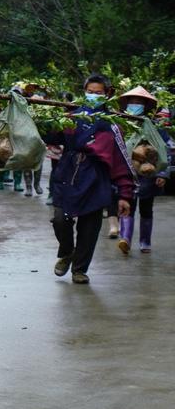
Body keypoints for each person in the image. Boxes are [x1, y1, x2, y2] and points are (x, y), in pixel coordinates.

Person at [45, 74, 134, 284]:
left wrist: (125, 195)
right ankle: (67, 251)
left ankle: (79, 269)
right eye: (90, 92)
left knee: (89, 227)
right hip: (68, 173)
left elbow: (120, 161)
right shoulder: (72, 118)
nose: (93, 96)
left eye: (98, 93)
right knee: (60, 219)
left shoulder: (112, 125)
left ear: (108, 94)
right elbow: (51, 138)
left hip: (96, 179)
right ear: (83, 92)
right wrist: (46, 121)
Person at [117, 86, 169, 254]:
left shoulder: (154, 126)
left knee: (146, 208)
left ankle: (145, 241)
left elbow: (165, 149)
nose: (135, 105)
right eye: (132, 102)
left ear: (146, 106)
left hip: (149, 174)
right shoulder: (121, 123)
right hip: (127, 174)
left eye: (139, 102)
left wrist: (162, 173)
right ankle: (125, 238)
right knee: (127, 205)